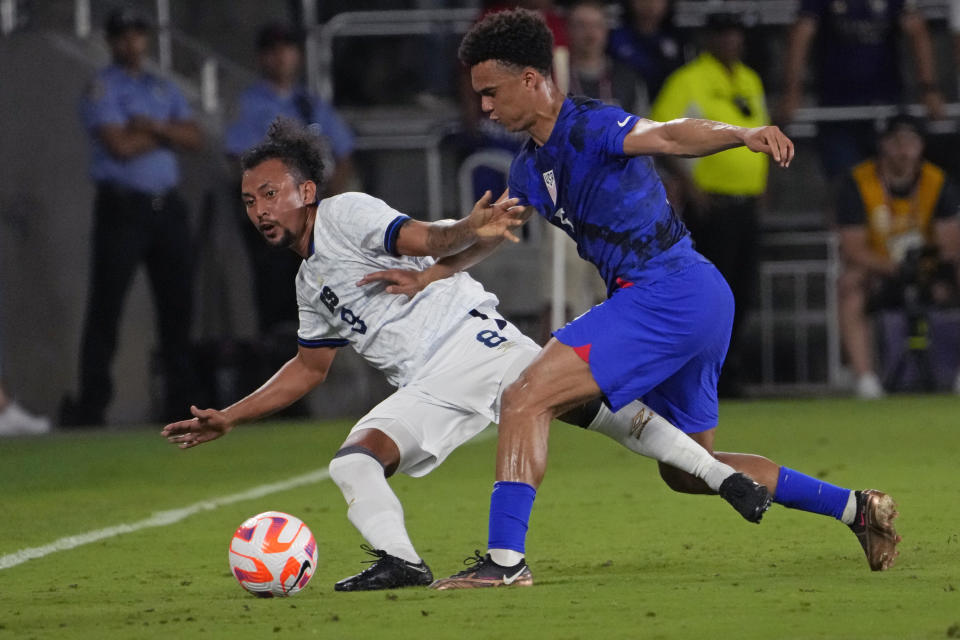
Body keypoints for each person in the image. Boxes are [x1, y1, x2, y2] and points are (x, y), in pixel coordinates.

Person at [161, 118, 771, 592]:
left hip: (466, 346)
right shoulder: (306, 283)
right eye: (249, 202)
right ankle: (402, 563)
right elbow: (309, 367)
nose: (261, 210)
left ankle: (714, 479)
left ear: (308, 190)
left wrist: (467, 231)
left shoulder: (344, 214)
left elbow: (427, 240)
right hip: (436, 380)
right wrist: (231, 416)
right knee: (357, 463)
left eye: (270, 194)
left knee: (605, 413)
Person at [421, 9, 899, 589]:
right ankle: (857, 510)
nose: (486, 108)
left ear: (530, 78)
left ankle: (503, 563)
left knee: (524, 397)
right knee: (689, 470)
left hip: (666, 293)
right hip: (691, 296)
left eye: (491, 93)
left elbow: (671, 133)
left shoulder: (591, 126)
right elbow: (495, 235)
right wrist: (434, 273)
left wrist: (741, 135)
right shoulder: (529, 166)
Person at [60, 7, 203, 426]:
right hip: (123, 207)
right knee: (107, 306)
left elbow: (194, 137)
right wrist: (165, 133)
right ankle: (92, 404)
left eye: (137, 34)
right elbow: (118, 145)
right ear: (110, 41)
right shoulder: (102, 87)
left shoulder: (162, 86)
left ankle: (182, 400)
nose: (131, 43)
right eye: (122, 35)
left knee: (177, 306)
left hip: (166, 206)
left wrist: (152, 127)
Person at [649, 12, 769, 397]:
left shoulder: (749, 80)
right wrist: (688, 184)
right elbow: (661, 135)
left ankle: (728, 371)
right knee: (712, 294)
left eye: (736, 33)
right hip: (710, 204)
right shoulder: (688, 81)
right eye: (724, 34)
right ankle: (701, 374)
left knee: (742, 291)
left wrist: (760, 184)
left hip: (746, 203)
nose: (732, 41)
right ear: (708, 39)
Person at [225, 22, 356, 336]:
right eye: (273, 50)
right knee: (277, 303)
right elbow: (238, 158)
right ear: (262, 57)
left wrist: (330, 201)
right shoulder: (251, 104)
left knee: (318, 303)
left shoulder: (308, 103)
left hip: (310, 219)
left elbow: (344, 150)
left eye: (288, 49)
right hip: (274, 219)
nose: (282, 57)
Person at [836, 114, 960, 399]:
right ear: (883, 145)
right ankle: (866, 380)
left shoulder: (938, 182)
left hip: (929, 269)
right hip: (880, 270)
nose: (903, 149)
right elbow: (852, 246)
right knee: (849, 286)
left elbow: (950, 244)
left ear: (921, 146)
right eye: (895, 141)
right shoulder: (858, 182)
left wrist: (924, 268)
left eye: (910, 141)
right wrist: (895, 268)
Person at [778, 0, 945, 178]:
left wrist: (929, 89)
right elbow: (802, 32)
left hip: (887, 108)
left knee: (894, 181)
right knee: (845, 183)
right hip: (837, 111)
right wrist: (792, 91)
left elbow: (916, 29)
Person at [568, 0, 645, 114]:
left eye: (596, 25)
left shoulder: (627, 79)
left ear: (606, 30)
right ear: (569, 30)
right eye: (581, 25)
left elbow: (643, 127)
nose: (590, 33)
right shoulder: (553, 79)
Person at [607, 0, 686, 108]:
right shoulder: (615, 38)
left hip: (668, 106)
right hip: (626, 106)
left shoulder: (678, 39)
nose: (650, 4)